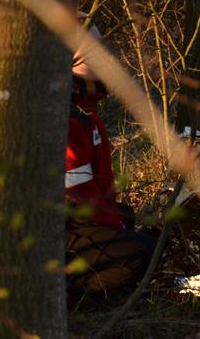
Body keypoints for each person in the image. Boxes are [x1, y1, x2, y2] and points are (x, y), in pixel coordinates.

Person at [65, 19, 155, 299]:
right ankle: (68, 290)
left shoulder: (88, 113)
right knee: (145, 251)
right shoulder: (66, 118)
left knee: (133, 220)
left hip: (84, 225)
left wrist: (118, 219)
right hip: (64, 232)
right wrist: (114, 226)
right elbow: (78, 194)